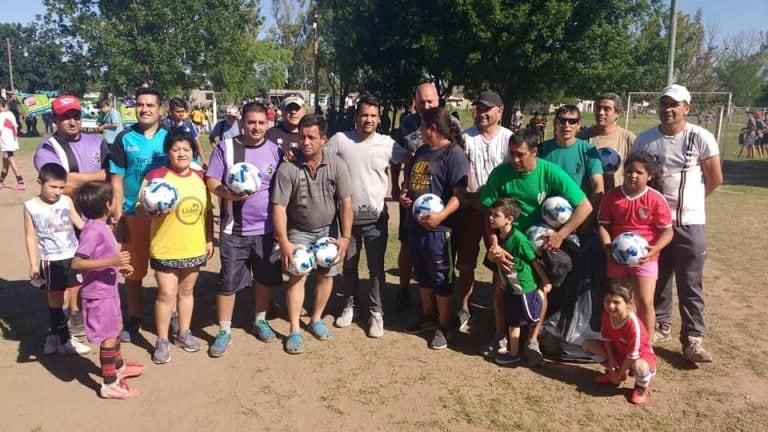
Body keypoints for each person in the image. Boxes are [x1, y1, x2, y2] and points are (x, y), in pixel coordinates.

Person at [480, 130, 593, 366]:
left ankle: (532, 341)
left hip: (537, 244)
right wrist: (493, 246)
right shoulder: (501, 174)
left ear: (534, 152)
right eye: (511, 154)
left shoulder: (549, 171)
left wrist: (561, 234)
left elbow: (585, 206)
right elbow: (487, 213)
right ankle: (500, 335)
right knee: (501, 288)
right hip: (507, 244)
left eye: (520, 155)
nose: (514, 160)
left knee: (539, 292)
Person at [632, 84, 722, 363]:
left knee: (690, 281)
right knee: (656, 278)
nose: (668, 109)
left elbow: (715, 177)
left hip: (689, 223)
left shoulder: (700, 137)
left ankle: (693, 339)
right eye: (664, 103)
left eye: (675, 104)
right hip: (653, 225)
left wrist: (693, 203)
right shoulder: (645, 140)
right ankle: (660, 326)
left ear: (687, 108)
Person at [325, 95, 409, 338]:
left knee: (375, 267)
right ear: (356, 117)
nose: (368, 120)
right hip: (347, 219)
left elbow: (411, 160)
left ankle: (376, 311)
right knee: (349, 265)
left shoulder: (387, 143)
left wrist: (401, 186)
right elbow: (320, 157)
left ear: (379, 119)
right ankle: (350, 304)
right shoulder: (341, 140)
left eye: (373, 115)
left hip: (376, 218)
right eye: (364, 115)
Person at [205, 102, 283, 357]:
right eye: (251, 122)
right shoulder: (225, 148)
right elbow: (211, 180)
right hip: (234, 230)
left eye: (261, 123)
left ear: (267, 124)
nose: (256, 127)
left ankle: (260, 319)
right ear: (242, 123)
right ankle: (224, 330)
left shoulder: (276, 151)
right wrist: (227, 193)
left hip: (267, 230)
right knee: (228, 281)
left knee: (264, 278)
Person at [272, 115, 353, 354]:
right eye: (302, 137)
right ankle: (295, 329)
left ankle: (316, 318)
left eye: (311, 137)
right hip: (298, 230)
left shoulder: (337, 165)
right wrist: (284, 242)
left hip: (328, 230)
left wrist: (345, 237)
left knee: (326, 275)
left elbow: (346, 202)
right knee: (296, 276)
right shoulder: (288, 167)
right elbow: (279, 207)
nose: (305, 142)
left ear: (324, 139)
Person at [33, 94, 110, 336]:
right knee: (70, 271)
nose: (72, 121)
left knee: (95, 269)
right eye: (65, 117)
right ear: (55, 118)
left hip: (97, 219)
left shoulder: (97, 142)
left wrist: (76, 177)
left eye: (75, 116)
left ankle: (89, 313)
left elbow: (110, 173)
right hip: (66, 222)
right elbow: (59, 183)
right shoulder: (48, 148)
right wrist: (95, 176)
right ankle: (71, 316)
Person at [137, 130, 213, 364]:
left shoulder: (200, 177)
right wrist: (150, 211)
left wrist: (209, 238)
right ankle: (161, 340)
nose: (182, 154)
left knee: (187, 292)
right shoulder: (156, 176)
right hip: (166, 246)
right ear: (168, 152)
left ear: (193, 151)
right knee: (166, 293)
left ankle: (184, 332)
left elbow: (208, 212)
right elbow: (140, 208)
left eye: (186, 149)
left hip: (193, 245)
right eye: (176, 149)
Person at [400, 106, 468, 350]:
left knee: (441, 277)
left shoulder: (454, 154)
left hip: (440, 231)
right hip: (417, 227)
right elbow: (412, 183)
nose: (419, 130)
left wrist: (441, 216)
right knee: (423, 275)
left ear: (432, 128)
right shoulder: (422, 151)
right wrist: (406, 197)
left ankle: (445, 323)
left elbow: (460, 195)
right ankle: (428, 317)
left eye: (422, 126)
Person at [71, 181, 144, 399]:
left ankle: (118, 366)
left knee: (117, 328)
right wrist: (111, 260)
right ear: (107, 204)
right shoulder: (92, 231)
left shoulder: (102, 226)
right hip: (98, 295)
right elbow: (77, 263)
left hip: (108, 291)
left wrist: (118, 266)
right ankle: (109, 383)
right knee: (109, 336)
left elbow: (100, 258)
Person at [110, 87, 171, 344]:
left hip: (166, 217)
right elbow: (116, 180)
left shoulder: (170, 138)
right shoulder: (124, 138)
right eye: (140, 104)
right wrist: (118, 216)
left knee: (169, 268)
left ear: (160, 109)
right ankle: (134, 317)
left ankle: (173, 314)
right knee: (132, 271)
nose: (144, 109)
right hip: (133, 215)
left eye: (150, 105)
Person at [597, 151, 673, 335]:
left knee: (644, 300)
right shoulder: (612, 197)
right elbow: (603, 225)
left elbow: (667, 231)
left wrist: (655, 248)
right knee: (618, 300)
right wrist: (607, 247)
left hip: (646, 258)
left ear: (649, 176)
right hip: (617, 257)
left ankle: (646, 347)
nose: (633, 175)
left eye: (639, 172)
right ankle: (619, 339)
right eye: (629, 171)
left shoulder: (655, 199)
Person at [456, 90, 513, 331]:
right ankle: (464, 308)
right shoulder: (465, 137)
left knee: (498, 260)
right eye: (479, 108)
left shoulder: (509, 138)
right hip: (471, 209)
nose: (482, 113)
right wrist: (471, 198)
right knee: (466, 261)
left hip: (499, 213)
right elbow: (459, 172)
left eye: (487, 109)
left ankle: (496, 310)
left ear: (499, 111)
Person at [23, 163, 90, 355]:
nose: (57, 192)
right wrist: (34, 264)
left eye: (61, 187)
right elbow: (30, 236)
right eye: (52, 187)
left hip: (72, 257)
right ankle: (64, 340)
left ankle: (57, 336)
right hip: (49, 260)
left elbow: (79, 224)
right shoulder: (30, 206)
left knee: (71, 297)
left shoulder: (66, 201)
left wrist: (96, 231)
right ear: (40, 183)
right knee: (56, 301)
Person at [393, 83, 442, 309]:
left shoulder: (450, 124)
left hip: (439, 198)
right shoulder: (407, 123)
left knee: (438, 248)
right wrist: (396, 185)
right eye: (422, 101)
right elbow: (397, 156)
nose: (426, 105)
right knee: (406, 244)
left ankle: (439, 293)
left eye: (430, 101)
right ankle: (404, 288)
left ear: (438, 100)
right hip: (412, 195)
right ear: (415, 102)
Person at [488, 198, 550, 365]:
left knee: (531, 316)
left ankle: (533, 342)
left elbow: (534, 261)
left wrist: (545, 282)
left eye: (496, 215)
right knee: (513, 320)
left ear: (509, 219)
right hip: (510, 286)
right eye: (491, 214)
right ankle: (514, 353)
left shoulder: (520, 240)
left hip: (524, 287)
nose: (491, 218)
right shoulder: (500, 237)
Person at [582, 283, 656, 405]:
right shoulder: (606, 315)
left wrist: (620, 372)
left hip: (640, 356)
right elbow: (606, 339)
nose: (611, 306)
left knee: (640, 366)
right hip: (620, 352)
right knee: (587, 345)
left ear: (629, 305)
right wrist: (611, 360)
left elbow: (633, 355)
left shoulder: (633, 326)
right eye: (607, 300)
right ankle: (612, 374)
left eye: (616, 302)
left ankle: (641, 387)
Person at [539, 105, 604, 218]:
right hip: (545, 215)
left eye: (572, 121)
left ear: (579, 124)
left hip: (578, 217)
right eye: (562, 121)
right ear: (555, 123)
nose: (566, 125)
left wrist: (589, 220)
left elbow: (598, 187)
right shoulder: (541, 149)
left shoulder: (588, 150)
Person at [578, 93, 636, 190]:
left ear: (618, 113)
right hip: (588, 200)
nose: (601, 112)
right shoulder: (581, 138)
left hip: (617, 199)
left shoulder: (629, 139)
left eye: (606, 109)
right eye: (598, 108)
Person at [165, 97, 206, 163]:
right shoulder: (165, 124)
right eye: (178, 112)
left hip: (191, 159)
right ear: (171, 111)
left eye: (182, 111)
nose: (181, 114)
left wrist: (203, 159)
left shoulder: (188, 123)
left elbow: (196, 141)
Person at [0, 96, 25, 190]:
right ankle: (1, 181)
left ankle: (21, 182)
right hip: (11, 141)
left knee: (11, 160)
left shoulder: (1, 116)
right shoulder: (10, 113)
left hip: (6, 143)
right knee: (5, 162)